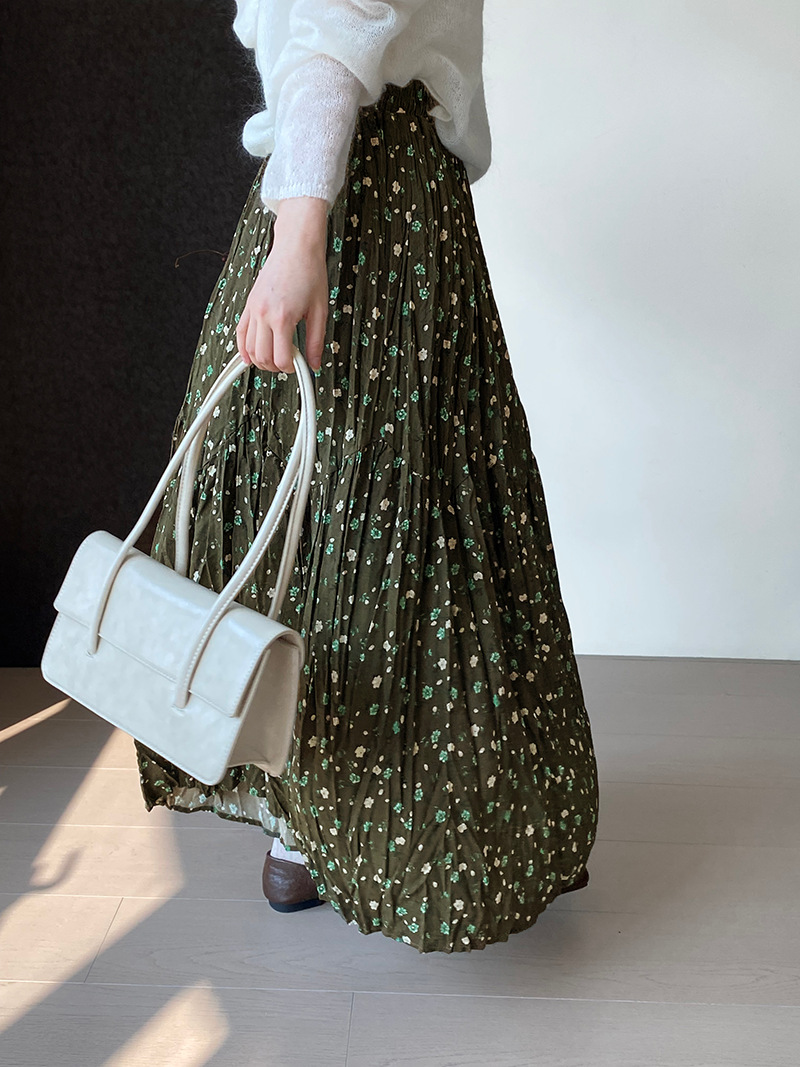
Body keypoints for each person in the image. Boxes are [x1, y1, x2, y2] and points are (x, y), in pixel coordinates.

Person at [135, 0, 600, 954]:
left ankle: (326, 827)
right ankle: (354, 817)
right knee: (385, 507)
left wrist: (301, 233)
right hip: (370, 184)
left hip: (352, 193)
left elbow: (338, 24)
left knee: (353, 507)